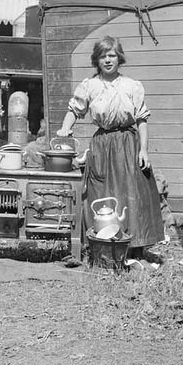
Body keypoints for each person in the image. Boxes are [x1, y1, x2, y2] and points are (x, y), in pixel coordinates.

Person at [57, 35, 164, 255]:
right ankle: (103, 247)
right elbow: (74, 111)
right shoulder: (90, 86)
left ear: (119, 58)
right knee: (101, 194)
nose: (108, 60)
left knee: (133, 196)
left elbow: (142, 120)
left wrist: (143, 150)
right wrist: (64, 130)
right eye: (103, 56)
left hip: (128, 144)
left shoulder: (131, 86)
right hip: (102, 145)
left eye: (112, 55)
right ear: (96, 60)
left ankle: (135, 250)